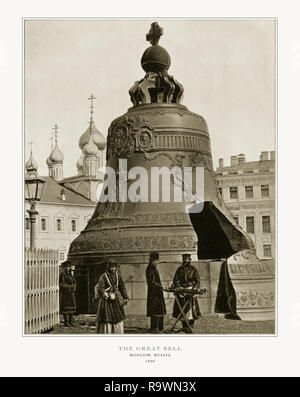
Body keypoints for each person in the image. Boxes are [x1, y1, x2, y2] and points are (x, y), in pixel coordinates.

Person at [96, 261, 129, 334]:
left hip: (116, 299)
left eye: (114, 267)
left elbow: (122, 287)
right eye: (111, 267)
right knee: (107, 316)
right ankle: (107, 331)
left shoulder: (118, 275)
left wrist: (125, 297)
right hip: (106, 300)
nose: (113, 269)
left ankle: (117, 331)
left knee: (117, 316)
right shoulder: (103, 276)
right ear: (108, 267)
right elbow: (100, 287)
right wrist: (104, 293)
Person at [172, 254, 201, 333]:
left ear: (189, 260)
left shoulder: (193, 269)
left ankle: (191, 323)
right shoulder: (179, 269)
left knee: (191, 307)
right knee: (181, 306)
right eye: (184, 259)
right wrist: (178, 287)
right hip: (182, 289)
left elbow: (198, 281)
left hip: (190, 289)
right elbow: (175, 280)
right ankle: (184, 325)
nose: (185, 261)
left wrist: (194, 288)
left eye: (186, 259)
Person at [146, 252, 166, 333]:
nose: (157, 262)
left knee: (158, 309)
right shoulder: (151, 268)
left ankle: (159, 327)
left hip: (156, 292)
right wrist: (161, 286)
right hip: (154, 292)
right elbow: (151, 282)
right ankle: (155, 328)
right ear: (153, 260)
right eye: (156, 260)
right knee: (155, 310)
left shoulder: (153, 267)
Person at [59, 260, 76, 327]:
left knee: (72, 307)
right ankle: (66, 322)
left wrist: (73, 287)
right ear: (65, 267)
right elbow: (61, 284)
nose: (68, 268)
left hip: (71, 293)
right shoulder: (63, 274)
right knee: (66, 307)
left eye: (69, 267)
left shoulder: (70, 274)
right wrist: (69, 287)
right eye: (67, 267)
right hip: (65, 294)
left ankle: (70, 321)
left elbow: (74, 282)